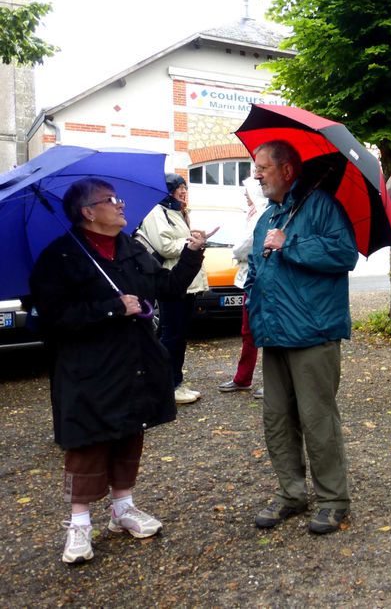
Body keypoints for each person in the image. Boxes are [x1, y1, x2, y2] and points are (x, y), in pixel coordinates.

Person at [29, 178, 210, 564]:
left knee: (130, 430)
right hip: (89, 368)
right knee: (88, 440)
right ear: (88, 212)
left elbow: (169, 286)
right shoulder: (60, 257)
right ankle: (79, 524)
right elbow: (53, 318)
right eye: (110, 200)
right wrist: (112, 308)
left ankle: (122, 508)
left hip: (135, 361)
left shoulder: (131, 248)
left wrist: (193, 252)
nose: (121, 204)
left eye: (119, 197)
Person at [245, 140, 359, 534]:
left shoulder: (322, 206)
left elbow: (345, 254)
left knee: (317, 419)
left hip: (312, 333)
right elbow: (256, 268)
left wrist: (289, 242)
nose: (256, 174)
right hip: (274, 333)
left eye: (262, 167)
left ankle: (333, 499)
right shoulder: (270, 215)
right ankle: (291, 493)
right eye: (255, 167)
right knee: (277, 419)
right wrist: (253, 292)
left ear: (287, 170)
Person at [136, 173, 209, 404]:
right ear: (168, 190)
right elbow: (165, 246)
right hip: (170, 281)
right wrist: (191, 244)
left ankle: (175, 381)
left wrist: (192, 240)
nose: (184, 191)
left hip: (186, 282)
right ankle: (168, 385)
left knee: (179, 336)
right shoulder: (156, 212)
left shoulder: (177, 212)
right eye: (179, 188)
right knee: (171, 336)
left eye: (185, 187)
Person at [218, 180, 266, 397]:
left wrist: (236, 252)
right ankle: (243, 377)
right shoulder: (253, 213)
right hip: (250, 279)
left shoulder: (261, 214)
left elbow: (245, 246)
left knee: (262, 331)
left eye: (247, 193)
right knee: (249, 332)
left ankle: (272, 382)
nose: (245, 197)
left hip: (258, 281)